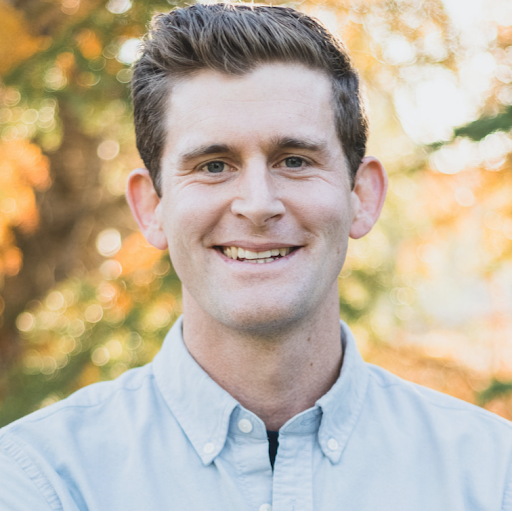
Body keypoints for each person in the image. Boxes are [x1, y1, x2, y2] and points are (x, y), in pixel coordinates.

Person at [1, 3, 511, 510]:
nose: (258, 204)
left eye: (295, 161)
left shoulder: (491, 474)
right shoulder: (39, 479)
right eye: (213, 165)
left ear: (362, 195)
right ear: (151, 208)